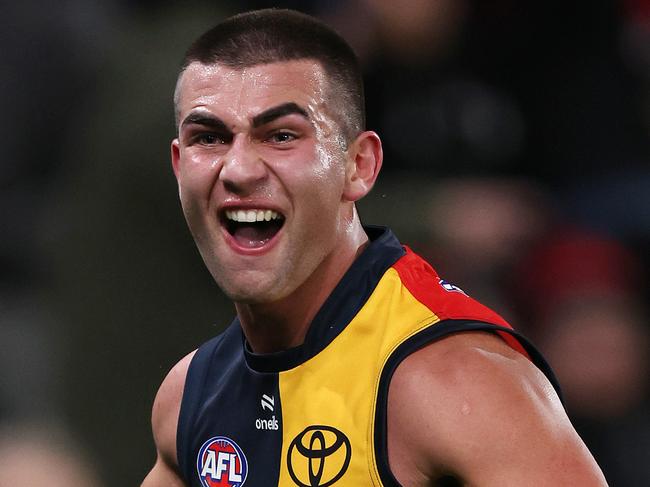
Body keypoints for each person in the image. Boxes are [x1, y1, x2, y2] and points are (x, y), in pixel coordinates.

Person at [142, 9, 607, 487]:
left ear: (359, 165)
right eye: (210, 138)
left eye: (282, 136)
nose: (238, 169)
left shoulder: (455, 382)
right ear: (179, 167)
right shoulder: (188, 400)